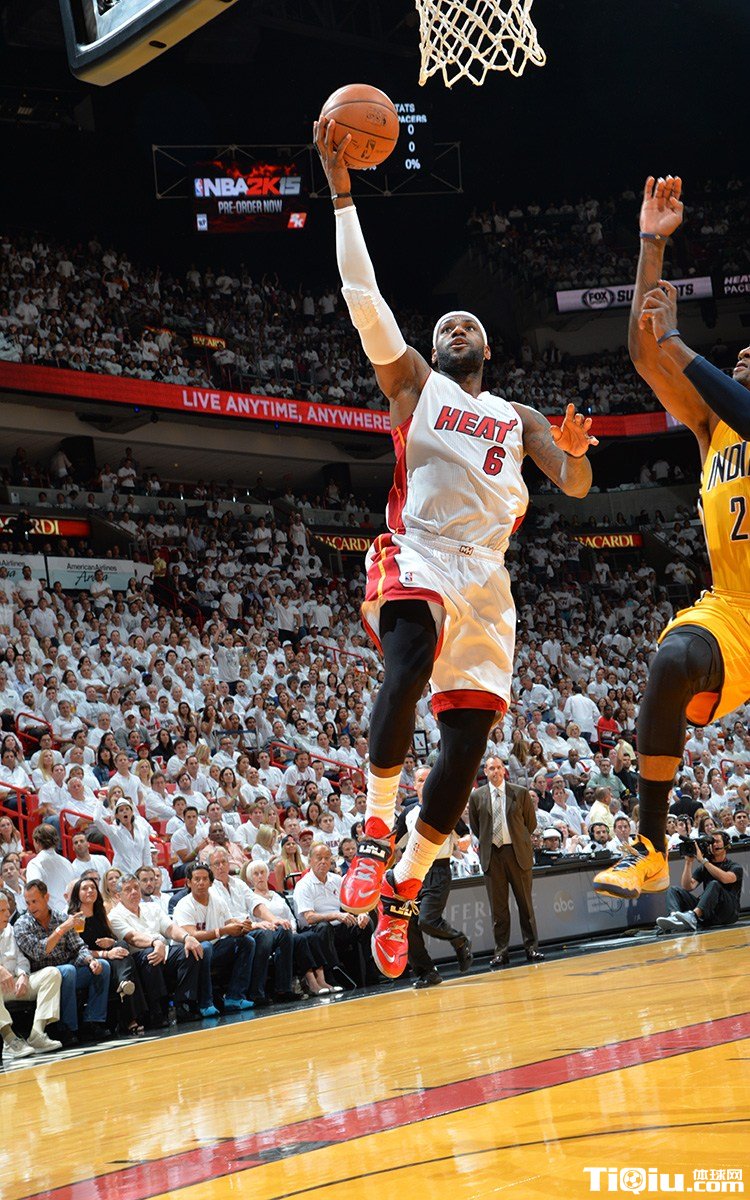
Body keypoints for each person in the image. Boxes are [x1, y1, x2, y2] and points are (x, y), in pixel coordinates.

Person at [314, 116, 596, 979]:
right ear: (435, 347)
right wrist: (342, 192)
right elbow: (365, 298)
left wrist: (575, 455)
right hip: (420, 549)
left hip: (488, 582)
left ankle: (403, 889)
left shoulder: (519, 417)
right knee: (408, 656)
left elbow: (575, 484)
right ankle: (373, 828)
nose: (459, 326)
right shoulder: (413, 385)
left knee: (466, 749)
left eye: (471, 322)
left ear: (489, 347)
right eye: (448, 323)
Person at [595, 174, 750, 900]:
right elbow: (644, 353)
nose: (741, 356)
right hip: (735, 609)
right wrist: (651, 248)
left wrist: (681, 343)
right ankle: (651, 847)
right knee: (672, 659)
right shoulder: (713, 426)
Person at [14, 879, 111, 1044]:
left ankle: (93, 1022)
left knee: (104, 966)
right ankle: (67, 1028)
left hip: (68, 971)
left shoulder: (61, 918)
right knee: (67, 971)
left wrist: (90, 960)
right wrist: (61, 930)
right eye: (28, 903)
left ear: (46, 897)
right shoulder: (22, 925)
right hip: (43, 976)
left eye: (35, 901)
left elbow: (78, 947)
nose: (31, 907)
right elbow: (39, 952)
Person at [468, 756, 543, 967]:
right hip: (492, 856)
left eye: (499, 767)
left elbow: (530, 823)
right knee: (498, 910)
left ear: (504, 770)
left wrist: (516, 838)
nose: (496, 771)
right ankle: (501, 952)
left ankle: (532, 948)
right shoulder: (477, 796)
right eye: (491, 768)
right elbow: (476, 827)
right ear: (485, 771)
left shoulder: (520, 792)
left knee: (526, 905)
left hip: (517, 853)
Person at [404, 766, 473, 988]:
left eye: (428, 779)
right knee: (408, 924)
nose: (424, 783)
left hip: (438, 870)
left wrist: (464, 841)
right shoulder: (408, 812)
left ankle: (459, 940)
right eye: (420, 780)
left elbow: (465, 834)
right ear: (414, 785)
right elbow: (395, 841)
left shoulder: (446, 809)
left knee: (427, 920)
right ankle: (427, 972)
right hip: (412, 872)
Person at [108, 874, 204, 1027]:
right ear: (118, 896)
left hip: (161, 949)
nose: (134, 892)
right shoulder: (114, 916)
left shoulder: (152, 907)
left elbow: (170, 928)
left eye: (136, 887)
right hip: (137, 957)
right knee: (150, 956)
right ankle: (157, 1011)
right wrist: (155, 943)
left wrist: (187, 937)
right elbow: (133, 938)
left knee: (189, 951)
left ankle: (183, 1004)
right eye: (128, 889)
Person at [172, 862, 255, 1016]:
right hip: (188, 955)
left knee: (247, 941)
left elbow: (229, 922)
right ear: (189, 882)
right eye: (197, 879)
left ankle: (235, 997)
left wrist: (242, 926)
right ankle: (205, 1003)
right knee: (205, 947)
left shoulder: (218, 900)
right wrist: (223, 931)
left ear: (211, 883)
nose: (201, 883)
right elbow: (192, 935)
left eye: (205, 879)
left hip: (213, 949)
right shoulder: (184, 905)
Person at [67, 876, 144, 1036]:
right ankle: (131, 1018)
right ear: (77, 894)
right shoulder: (74, 918)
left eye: (93, 888)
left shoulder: (101, 912)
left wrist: (111, 942)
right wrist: (106, 953)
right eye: (85, 888)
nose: (90, 891)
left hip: (107, 956)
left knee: (121, 946)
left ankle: (124, 983)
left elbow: (112, 939)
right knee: (122, 961)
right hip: (86, 960)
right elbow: (77, 950)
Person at [0, 891, 62, 1057]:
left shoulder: (10, 929)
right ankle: (9, 1039)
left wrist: (23, 975)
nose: (7, 914)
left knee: (52, 973)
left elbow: (21, 959)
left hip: (14, 983)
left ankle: (37, 1034)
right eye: (2, 911)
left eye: (7, 910)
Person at [656, 832, 743, 933]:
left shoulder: (735, 866)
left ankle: (693, 916)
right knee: (673, 890)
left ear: (726, 845)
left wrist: (703, 861)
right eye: (711, 842)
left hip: (728, 912)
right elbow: (688, 886)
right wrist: (688, 862)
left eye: (717, 841)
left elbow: (725, 878)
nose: (713, 844)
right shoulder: (704, 867)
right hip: (710, 912)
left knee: (714, 884)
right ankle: (674, 918)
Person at [25, 824, 75, 912]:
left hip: (52, 916)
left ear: (37, 841)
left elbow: (33, 893)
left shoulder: (34, 864)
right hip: (71, 913)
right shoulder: (67, 862)